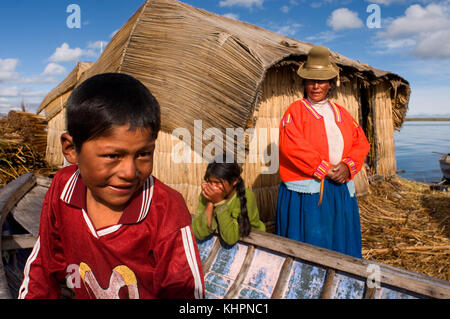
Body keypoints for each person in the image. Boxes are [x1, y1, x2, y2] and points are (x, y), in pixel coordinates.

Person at [18, 73, 204, 299]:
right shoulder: (63, 188)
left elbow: (185, 293)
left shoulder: (165, 208)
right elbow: (44, 267)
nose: (129, 173)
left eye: (144, 154)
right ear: (71, 149)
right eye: (112, 155)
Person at [276, 46, 370, 258]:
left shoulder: (341, 113)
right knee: (313, 243)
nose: (316, 86)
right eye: (311, 80)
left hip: (339, 189)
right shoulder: (296, 111)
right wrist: (324, 169)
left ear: (330, 84)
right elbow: (292, 146)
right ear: (304, 83)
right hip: (309, 193)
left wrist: (347, 167)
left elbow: (361, 142)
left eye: (321, 80)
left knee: (339, 242)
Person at [192, 156, 266, 245]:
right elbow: (199, 233)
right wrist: (210, 202)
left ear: (234, 181)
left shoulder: (246, 197)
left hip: (253, 243)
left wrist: (219, 203)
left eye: (217, 183)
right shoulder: (208, 193)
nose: (212, 187)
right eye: (210, 182)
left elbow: (230, 238)